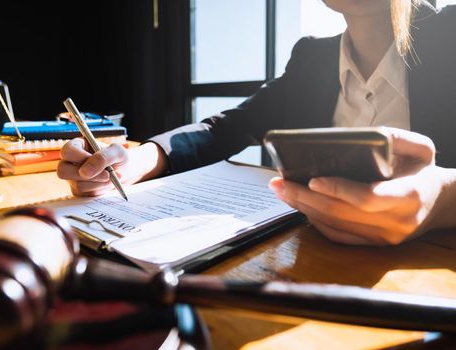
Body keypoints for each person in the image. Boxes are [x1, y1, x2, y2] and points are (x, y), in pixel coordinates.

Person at [57, 0, 456, 246]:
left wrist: (443, 199)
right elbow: (226, 128)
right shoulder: (312, 59)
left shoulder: (449, 35)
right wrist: (136, 161)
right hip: (306, 261)